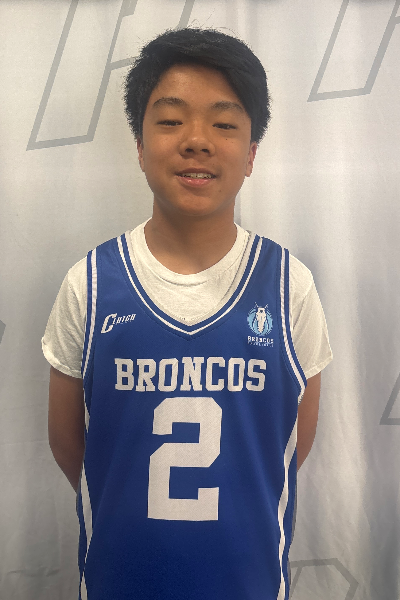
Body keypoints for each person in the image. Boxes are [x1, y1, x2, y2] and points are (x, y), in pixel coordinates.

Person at [43, 28, 332, 600]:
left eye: (223, 124)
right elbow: (69, 444)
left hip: (247, 581)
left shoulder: (288, 285)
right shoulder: (90, 284)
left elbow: (289, 445)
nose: (196, 141)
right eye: (171, 120)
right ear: (140, 145)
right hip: (119, 581)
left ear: (251, 154)